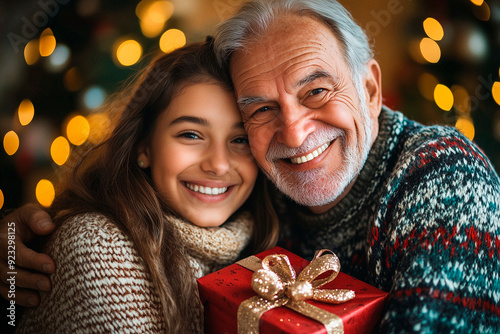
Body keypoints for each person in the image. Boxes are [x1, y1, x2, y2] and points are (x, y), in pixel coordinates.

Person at [1, 0, 500, 332]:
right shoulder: (266, 183)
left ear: (369, 90)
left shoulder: (443, 178)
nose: (296, 133)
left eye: (316, 91)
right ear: (143, 144)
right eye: (260, 109)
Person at [8, 39, 279, 333]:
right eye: (190, 135)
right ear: (143, 146)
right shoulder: (102, 249)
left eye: (239, 140)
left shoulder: (267, 243)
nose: (218, 164)